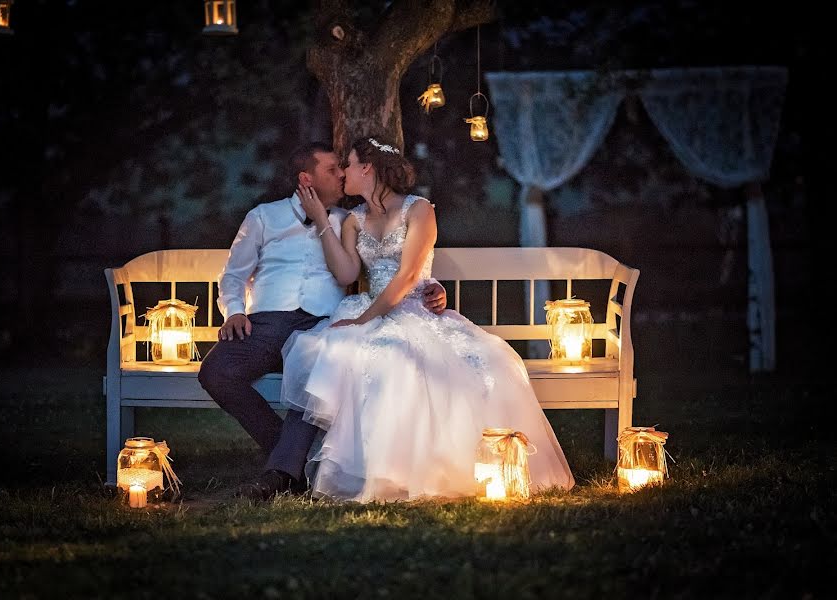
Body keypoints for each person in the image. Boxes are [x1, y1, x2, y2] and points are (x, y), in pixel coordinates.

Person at [280, 136, 575, 502]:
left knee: (454, 362)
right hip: (371, 307)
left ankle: (432, 468)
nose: (343, 174)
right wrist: (324, 221)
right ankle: (375, 471)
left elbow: (407, 276)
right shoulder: (353, 221)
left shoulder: (419, 210)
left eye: (349, 165)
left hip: (413, 308)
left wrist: (363, 321)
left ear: (367, 169)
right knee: (352, 354)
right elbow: (345, 274)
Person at [197, 142, 447, 500]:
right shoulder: (264, 217)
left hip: (319, 323)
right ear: (306, 178)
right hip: (264, 323)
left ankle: (281, 473)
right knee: (215, 372)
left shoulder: (349, 220)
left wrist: (431, 286)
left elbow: (375, 270)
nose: (342, 173)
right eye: (332, 169)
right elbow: (234, 275)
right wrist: (234, 310)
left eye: (345, 167)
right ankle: (293, 457)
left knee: (319, 367)